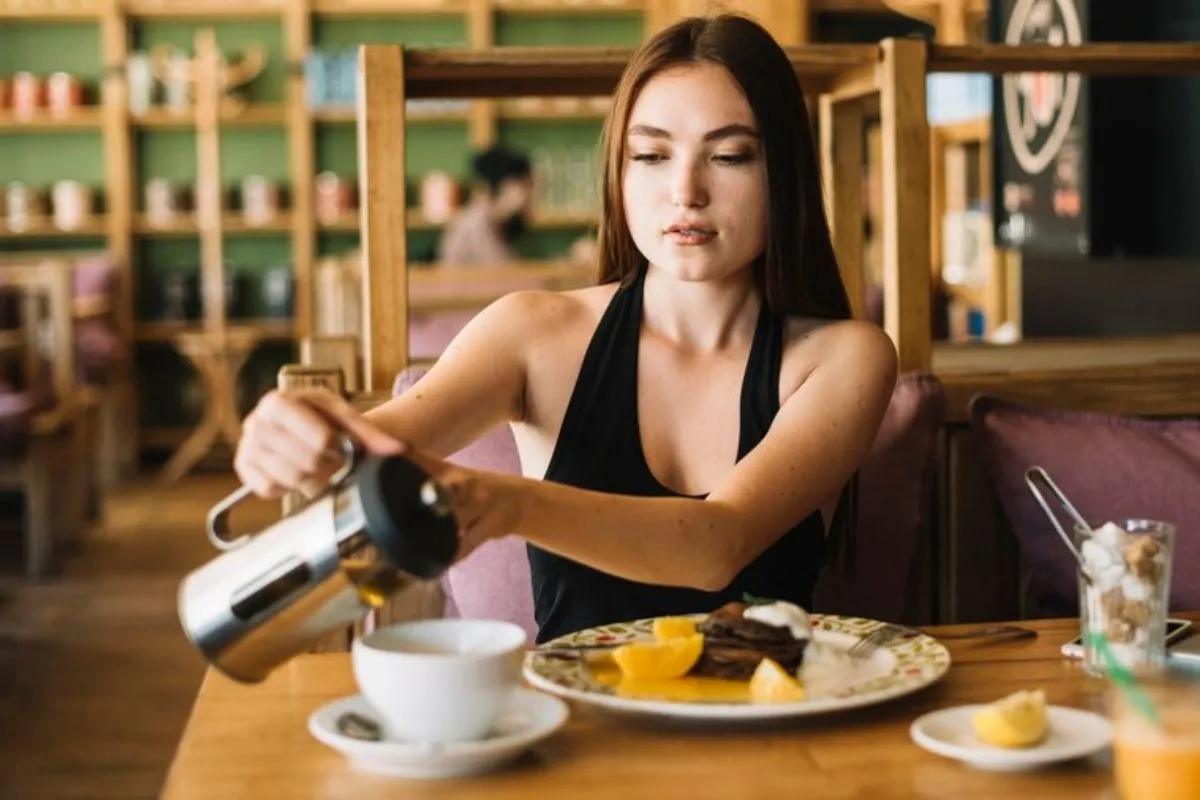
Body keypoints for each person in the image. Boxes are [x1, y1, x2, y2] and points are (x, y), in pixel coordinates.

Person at [233, 14, 899, 644]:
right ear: (619, 170)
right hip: (575, 743)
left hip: (776, 734)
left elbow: (714, 545)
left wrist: (512, 504)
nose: (686, 192)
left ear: (784, 175)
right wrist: (301, 431)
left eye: (729, 157)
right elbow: (376, 447)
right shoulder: (533, 333)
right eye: (651, 156)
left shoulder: (844, 359)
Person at [437, 145, 534, 265]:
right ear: (508, 187)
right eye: (527, 185)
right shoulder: (475, 224)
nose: (531, 195)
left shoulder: (487, 222)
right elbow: (506, 276)